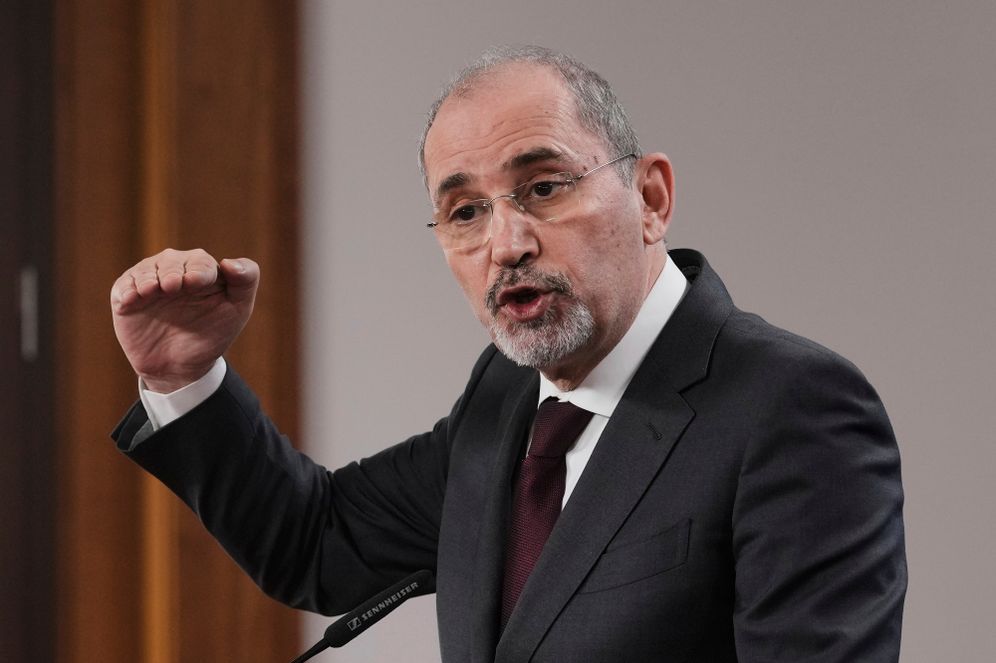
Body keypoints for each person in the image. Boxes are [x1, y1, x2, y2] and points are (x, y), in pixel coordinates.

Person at [110, 46, 906, 662]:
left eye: (545, 187)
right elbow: (318, 542)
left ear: (652, 199)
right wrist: (183, 375)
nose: (506, 244)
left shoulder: (793, 407)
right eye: (464, 212)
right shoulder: (509, 395)